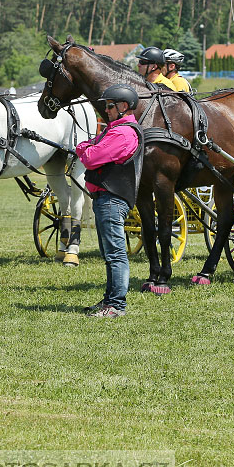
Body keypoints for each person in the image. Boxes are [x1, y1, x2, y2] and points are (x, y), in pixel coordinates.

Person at [75, 84, 144, 318]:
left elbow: (91, 157)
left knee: (115, 255)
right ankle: (109, 300)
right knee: (109, 254)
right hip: (105, 198)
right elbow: (88, 148)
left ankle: (116, 306)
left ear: (124, 106)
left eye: (110, 105)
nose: (106, 110)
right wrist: (87, 147)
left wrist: (85, 148)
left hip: (112, 200)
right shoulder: (114, 130)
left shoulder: (123, 133)